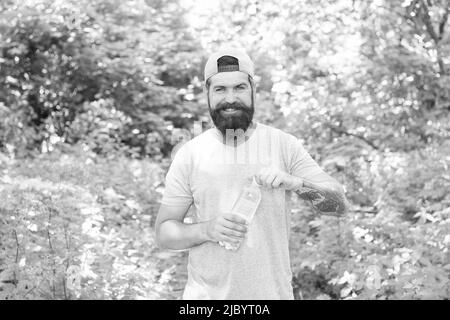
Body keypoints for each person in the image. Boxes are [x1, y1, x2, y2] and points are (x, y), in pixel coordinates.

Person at [155, 47, 349, 300]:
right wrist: (207, 230)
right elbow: (164, 234)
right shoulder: (190, 154)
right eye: (220, 89)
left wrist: (296, 183)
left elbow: (339, 205)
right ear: (207, 94)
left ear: (253, 90)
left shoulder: (283, 145)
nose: (230, 98)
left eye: (239, 88)